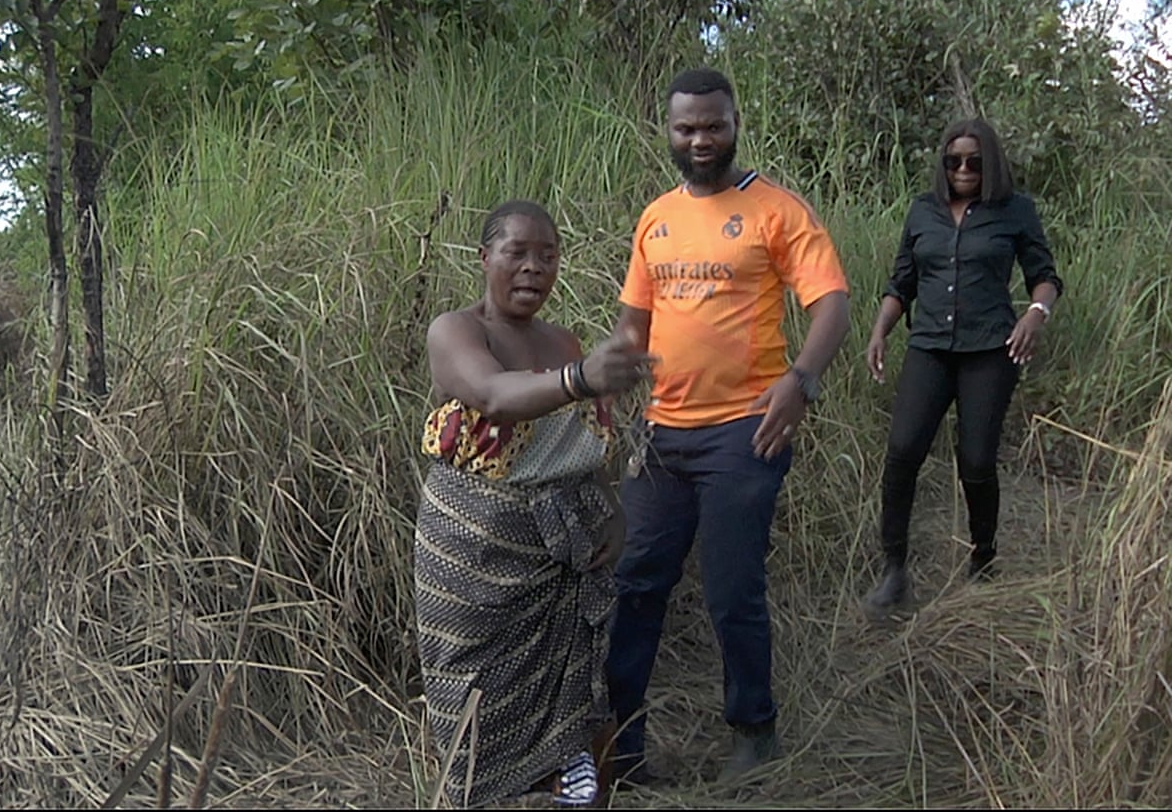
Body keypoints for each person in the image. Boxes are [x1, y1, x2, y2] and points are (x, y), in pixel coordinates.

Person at [605, 68, 852, 784]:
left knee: (731, 584)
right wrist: (609, 381)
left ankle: (753, 730)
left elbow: (831, 304)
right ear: (669, 132)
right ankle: (620, 743)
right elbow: (634, 320)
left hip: (747, 429)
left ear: (735, 122)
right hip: (662, 433)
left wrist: (800, 382)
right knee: (634, 582)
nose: (700, 139)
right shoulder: (655, 216)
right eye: (687, 128)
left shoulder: (776, 210)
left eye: (712, 125)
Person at [413, 199, 655, 808]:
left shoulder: (563, 340)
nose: (533, 268)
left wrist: (615, 513)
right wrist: (580, 378)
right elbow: (495, 396)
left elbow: (581, 444)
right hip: (468, 551)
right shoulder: (457, 330)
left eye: (547, 256)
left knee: (566, 680)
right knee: (470, 679)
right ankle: (480, 793)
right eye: (517, 253)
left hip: (556, 549)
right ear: (484, 258)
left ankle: (567, 786)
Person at [861, 118, 1063, 616]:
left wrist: (1036, 314)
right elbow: (901, 281)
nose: (964, 169)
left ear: (989, 161)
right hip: (928, 346)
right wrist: (880, 329)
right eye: (954, 161)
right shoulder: (923, 212)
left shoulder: (1015, 211)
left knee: (975, 458)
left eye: (974, 160)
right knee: (904, 449)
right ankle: (894, 570)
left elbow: (1045, 276)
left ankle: (983, 557)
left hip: (990, 350)